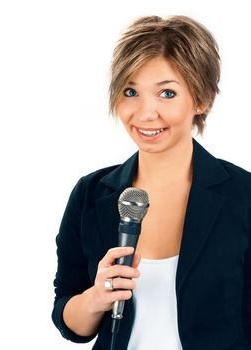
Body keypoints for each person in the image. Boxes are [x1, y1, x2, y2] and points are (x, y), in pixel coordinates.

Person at [51, 15, 251, 349]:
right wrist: (96, 298)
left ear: (202, 99)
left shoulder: (243, 196)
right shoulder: (90, 192)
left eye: (167, 93)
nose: (145, 113)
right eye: (131, 91)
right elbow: (69, 320)